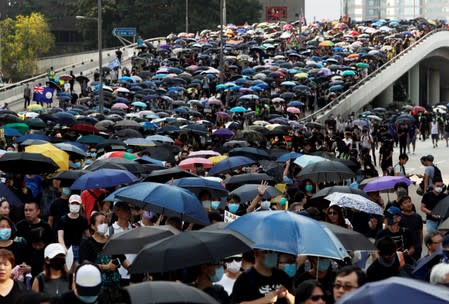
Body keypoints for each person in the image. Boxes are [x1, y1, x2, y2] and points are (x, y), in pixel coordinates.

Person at [80, 212, 126, 289]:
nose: (104, 224)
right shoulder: (86, 243)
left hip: (115, 285)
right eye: (101, 223)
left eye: (105, 222)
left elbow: (123, 260)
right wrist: (106, 267)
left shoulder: (112, 242)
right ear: (92, 226)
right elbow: (86, 264)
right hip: (96, 284)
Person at [57, 194, 89, 264]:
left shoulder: (83, 220)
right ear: (69, 205)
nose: (75, 205)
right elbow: (60, 237)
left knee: (77, 268)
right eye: (73, 203)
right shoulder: (63, 219)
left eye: (77, 204)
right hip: (66, 248)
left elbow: (87, 235)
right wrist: (63, 247)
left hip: (79, 248)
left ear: (80, 206)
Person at [398, 196, 423, 260]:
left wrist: (420, 245)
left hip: (416, 247)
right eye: (405, 203)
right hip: (404, 248)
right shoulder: (399, 218)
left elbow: (420, 232)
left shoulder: (418, 217)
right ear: (401, 206)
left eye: (409, 202)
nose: (408, 204)